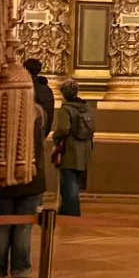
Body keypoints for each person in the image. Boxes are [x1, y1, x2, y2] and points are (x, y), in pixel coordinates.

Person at [0, 99, 46, 278]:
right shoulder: (37, 114)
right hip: (31, 181)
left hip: (2, 181)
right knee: (23, 228)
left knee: (0, 228)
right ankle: (20, 269)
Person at [52, 78, 94, 217]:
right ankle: (70, 210)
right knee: (75, 180)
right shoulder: (85, 107)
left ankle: (70, 211)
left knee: (69, 182)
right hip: (84, 147)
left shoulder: (66, 109)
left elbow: (64, 129)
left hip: (70, 148)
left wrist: (55, 137)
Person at [24, 58, 55, 137]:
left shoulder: (25, 87)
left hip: (26, 132)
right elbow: (50, 114)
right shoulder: (47, 89)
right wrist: (45, 133)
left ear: (26, 70)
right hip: (41, 131)